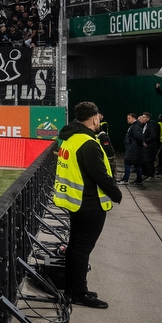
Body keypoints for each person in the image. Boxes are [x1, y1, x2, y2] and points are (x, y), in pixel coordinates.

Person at [53, 101, 123, 309]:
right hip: (90, 203)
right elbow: (99, 174)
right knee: (81, 249)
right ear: (94, 118)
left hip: (76, 202)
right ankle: (79, 293)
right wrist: (116, 193)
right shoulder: (88, 142)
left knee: (75, 247)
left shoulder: (70, 139)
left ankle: (73, 289)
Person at [119, 113, 144, 185]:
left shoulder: (135, 126)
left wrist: (132, 146)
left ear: (133, 118)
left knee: (128, 163)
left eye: (129, 118)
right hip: (135, 148)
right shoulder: (135, 125)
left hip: (133, 149)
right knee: (137, 164)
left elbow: (138, 136)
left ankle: (125, 179)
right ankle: (139, 180)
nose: (128, 120)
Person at [140, 113, 159, 181]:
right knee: (145, 161)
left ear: (148, 118)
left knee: (149, 161)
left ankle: (151, 176)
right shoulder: (145, 125)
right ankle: (146, 174)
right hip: (145, 147)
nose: (143, 118)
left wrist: (146, 142)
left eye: (144, 117)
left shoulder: (151, 126)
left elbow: (153, 136)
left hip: (150, 147)